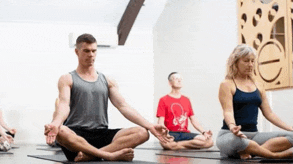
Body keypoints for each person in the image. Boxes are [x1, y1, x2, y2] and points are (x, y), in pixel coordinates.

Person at [44, 33, 169, 162]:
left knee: (142, 132)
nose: (91, 54)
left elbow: (123, 106)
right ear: (77, 52)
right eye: (86, 51)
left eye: (94, 51)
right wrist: (56, 123)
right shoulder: (67, 78)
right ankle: (108, 155)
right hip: (77, 137)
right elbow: (64, 105)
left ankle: (92, 155)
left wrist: (150, 126)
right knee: (61, 131)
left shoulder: (107, 80)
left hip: (102, 134)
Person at [216, 44, 293, 159]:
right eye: (246, 61)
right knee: (239, 141)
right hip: (231, 135)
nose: (250, 65)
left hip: (254, 136)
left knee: (291, 136)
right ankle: (275, 155)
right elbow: (227, 111)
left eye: (252, 61)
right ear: (235, 62)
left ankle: (251, 152)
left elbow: (269, 114)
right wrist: (232, 127)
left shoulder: (259, 85)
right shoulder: (227, 84)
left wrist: (290, 128)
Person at [156, 72, 213, 150]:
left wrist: (204, 132)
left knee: (210, 142)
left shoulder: (186, 100)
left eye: (180, 79)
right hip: (171, 133)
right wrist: (163, 134)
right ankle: (186, 145)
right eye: (176, 79)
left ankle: (178, 146)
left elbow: (193, 120)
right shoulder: (163, 100)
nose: (179, 80)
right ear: (170, 83)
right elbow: (160, 122)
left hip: (185, 133)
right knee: (166, 143)